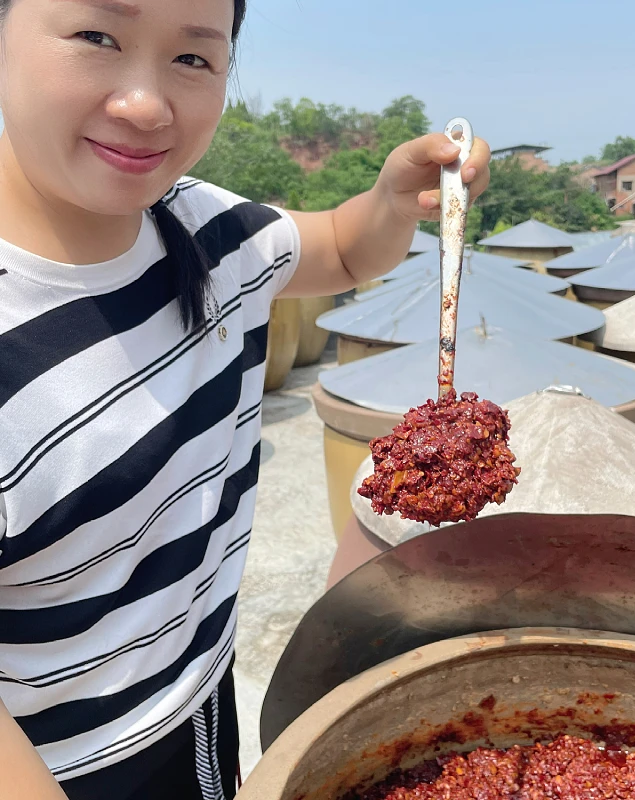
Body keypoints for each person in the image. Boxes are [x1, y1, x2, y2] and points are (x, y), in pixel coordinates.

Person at [0, 0, 491, 797]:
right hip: (64, 761)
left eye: (193, 58)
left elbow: (341, 248)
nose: (146, 104)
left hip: (196, 699)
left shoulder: (205, 229)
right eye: (96, 36)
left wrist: (393, 202)